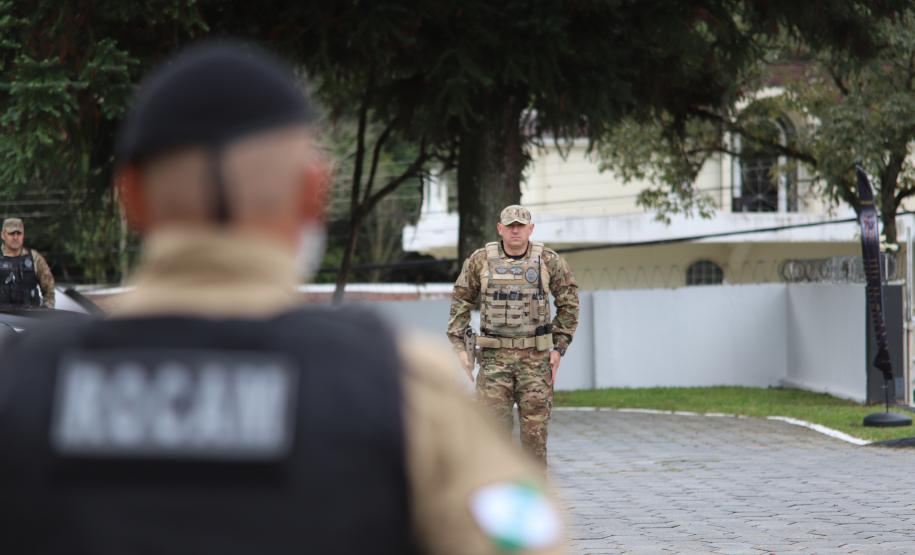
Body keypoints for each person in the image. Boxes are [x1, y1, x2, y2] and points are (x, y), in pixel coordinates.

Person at [0, 42, 566, 554]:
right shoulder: (398, 388)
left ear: (131, 196)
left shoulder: (20, 388)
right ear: (312, 193)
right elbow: (526, 538)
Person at [448, 205, 579, 466]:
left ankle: (534, 501)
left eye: (521, 225)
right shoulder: (480, 260)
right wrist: (460, 347)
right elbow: (460, 300)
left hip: (536, 360)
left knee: (534, 441)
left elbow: (569, 303)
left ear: (531, 229)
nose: (515, 230)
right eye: (510, 226)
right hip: (494, 361)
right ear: (500, 229)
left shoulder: (549, 261)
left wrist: (559, 348)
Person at [0, 217, 55, 308]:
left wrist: (47, 310)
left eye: (19, 233)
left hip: (30, 318)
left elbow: (49, 289)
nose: (15, 237)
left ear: (23, 235)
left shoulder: (34, 258)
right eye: (11, 233)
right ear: (2, 235)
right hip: (3, 319)